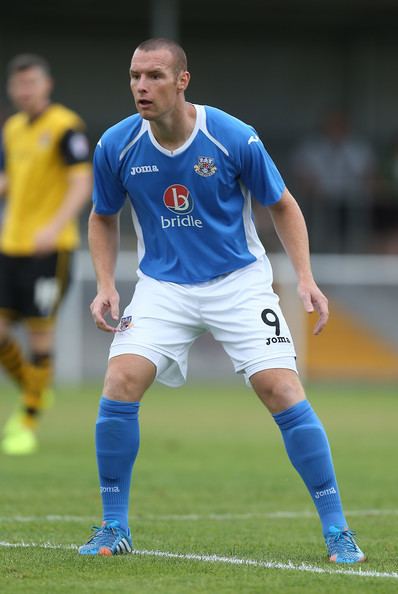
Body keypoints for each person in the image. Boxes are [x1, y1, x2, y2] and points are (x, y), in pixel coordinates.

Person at [79, 38, 366, 563]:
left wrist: (304, 276)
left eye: (155, 76)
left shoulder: (233, 137)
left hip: (238, 283)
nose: (142, 86)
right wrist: (105, 284)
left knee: (281, 389)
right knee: (120, 381)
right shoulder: (115, 145)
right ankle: (113, 528)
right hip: (163, 287)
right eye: (135, 76)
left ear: (183, 80)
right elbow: (102, 215)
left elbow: (282, 203)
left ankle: (337, 530)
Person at [0, 54, 92, 454]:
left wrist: (54, 227)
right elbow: (9, 180)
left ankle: (27, 420)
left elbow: (81, 182)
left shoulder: (65, 126)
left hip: (50, 249)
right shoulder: (13, 128)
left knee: (40, 332)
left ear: (47, 85)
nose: (25, 91)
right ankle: (36, 389)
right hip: (11, 244)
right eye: (19, 85)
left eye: (32, 83)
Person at [291, 110, 376, 253]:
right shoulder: (312, 147)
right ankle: (317, 250)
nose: (336, 129)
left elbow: (369, 176)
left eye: (340, 125)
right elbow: (302, 175)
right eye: (332, 125)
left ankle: (354, 251)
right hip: (320, 202)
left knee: (356, 211)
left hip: (351, 201)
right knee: (315, 212)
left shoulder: (358, 148)